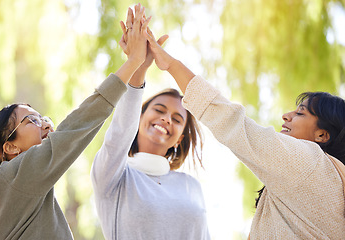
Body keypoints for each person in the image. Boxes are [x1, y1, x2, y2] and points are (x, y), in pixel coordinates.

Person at [143, 20, 345, 239]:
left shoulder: (310, 163)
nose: (286, 116)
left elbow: (234, 124)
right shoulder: (323, 181)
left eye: (300, 113)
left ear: (322, 135)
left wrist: (171, 64)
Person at [0, 4, 149, 239]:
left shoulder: (15, 191)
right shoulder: (10, 178)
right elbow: (72, 131)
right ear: (10, 146)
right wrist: (133, 62)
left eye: (44, 118)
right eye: (32, 121)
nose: (46, 125)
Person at [90, 7, 210, 240]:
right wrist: (138, 65)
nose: (166, 119)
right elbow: (120, 133)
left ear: (180, 138)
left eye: (177, 119)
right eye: (159, 110)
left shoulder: (191, 186)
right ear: (139, 116)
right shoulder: (113, 176)